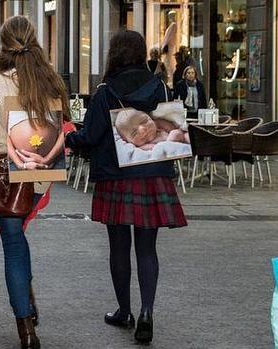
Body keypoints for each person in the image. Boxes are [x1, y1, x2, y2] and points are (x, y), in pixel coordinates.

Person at [65, 30, 187, 345]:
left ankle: (124, 311)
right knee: (147, 248)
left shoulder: (105, 90)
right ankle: (146, 311)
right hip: (154, 173)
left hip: (117, 178)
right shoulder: (159, 85)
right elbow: (171, 122)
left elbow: (90, 137)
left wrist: (66, 138)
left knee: (119, 247)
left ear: (114, 54)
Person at [0, 16, 70, 349]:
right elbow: (62, 125)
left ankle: (26, 329)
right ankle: (28, 301)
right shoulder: (50, 79)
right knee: (20, 241)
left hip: (8, 174)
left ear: (3, 45)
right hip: (41, 176)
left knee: (13, 246)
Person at [115, 109, 189, 151]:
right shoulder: (141, 147)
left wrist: (176, 133)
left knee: (186, 135)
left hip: (180, 140)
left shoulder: (157, 123)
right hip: (169, 148)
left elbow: (174, 129)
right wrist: (171, 141)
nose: (142, 129)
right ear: (127, 140)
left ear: (150, 117)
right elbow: (159, 149)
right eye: (134, 133)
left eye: (144, 121)